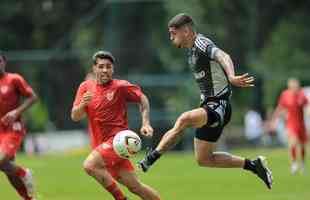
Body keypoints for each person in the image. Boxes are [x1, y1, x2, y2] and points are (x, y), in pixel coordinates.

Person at [138, 13, 273, 189]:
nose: (171, 37)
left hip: (219, 105)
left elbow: (223, 56)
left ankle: (152, 157)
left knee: (184, 119)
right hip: (210, 106)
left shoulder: (201, 43)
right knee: (204, 159)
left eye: (173, 33)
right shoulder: (191, 50)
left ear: (186, 31)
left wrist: (231, 76)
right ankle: (254, 166)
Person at [71, 50, 161, 200]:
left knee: (90, 165)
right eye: (101, 66)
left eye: (108, 66)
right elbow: (75, 116)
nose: (105, 70)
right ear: (94, 69)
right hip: (100, 145)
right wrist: (82, 105)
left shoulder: (120, 86)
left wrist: (146, 123)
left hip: (118, 142)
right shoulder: (85, 87)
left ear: (113, 69)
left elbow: (142, 98)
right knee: (136, 187)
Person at [0, 50, 38, 200]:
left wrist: (16, 112)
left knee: (2, 161)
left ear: (4, 62)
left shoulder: (14, 79)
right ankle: (28, 198)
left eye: (0, 61)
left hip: (13, 129)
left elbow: (33, 97)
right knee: (6, 167)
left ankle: (24, 173)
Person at [272, 78, 310, 174]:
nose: (295, 87)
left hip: (301, 124)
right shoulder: (285, 95)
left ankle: (302, 163)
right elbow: (280, 107)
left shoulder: (302, 95)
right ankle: (294, 163)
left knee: (302, 146)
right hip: (291, 123)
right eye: (293, 85)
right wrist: (274, 120)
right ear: (289, 86)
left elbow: (307, 105)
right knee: (293, 142)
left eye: (296, 85)